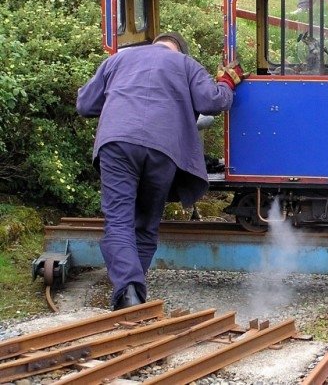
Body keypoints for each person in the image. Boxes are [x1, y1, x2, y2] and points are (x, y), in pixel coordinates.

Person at [76, 32, 245, 310]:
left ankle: (129, 292)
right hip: (163, 149)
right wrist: (227, 81)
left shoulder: (118, 59)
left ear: (154, 43)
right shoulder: (186, 64)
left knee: (119, 220)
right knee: (145, 223)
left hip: (117, 144)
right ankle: (132, 295)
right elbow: (212, 102)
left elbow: (85, 104)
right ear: (180, 49)